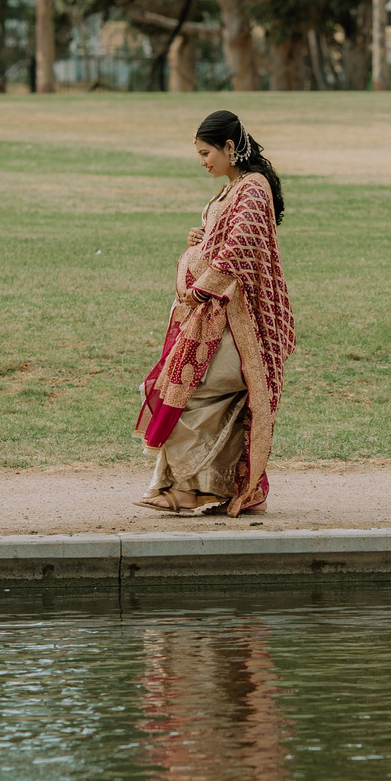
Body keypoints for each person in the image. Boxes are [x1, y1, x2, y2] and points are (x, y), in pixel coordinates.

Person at [136, 110, 296, 516]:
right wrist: (200, 238)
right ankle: (193, 488)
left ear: (229, 147)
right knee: (190, 388)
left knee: (197, 389)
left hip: (241, 321)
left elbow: (240, 247)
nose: (203, 162)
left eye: (207, 153)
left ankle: (195, 489)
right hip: (218, 317)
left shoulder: (253, 188)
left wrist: (199, 288)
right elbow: (222, 238)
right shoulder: (233, 189)